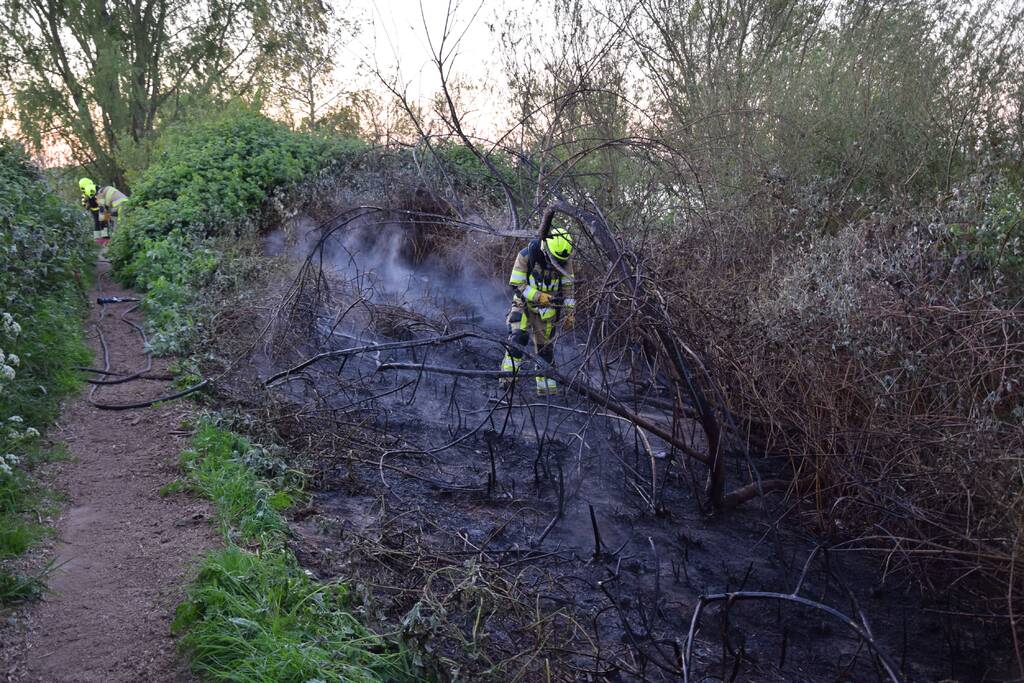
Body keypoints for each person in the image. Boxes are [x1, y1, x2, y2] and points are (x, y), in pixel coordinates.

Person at [498, 223, 576, 396]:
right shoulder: (526, 256)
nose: (557, 264)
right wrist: (538, 296)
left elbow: (569, 289)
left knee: (545, 350)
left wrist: (570, 312)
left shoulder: (565, 261)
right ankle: (507, 382)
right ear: (546, 248)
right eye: (554, 260)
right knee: (518, 340)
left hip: (547, 312)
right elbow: (517, 284)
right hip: (523, 306)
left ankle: (547, 391)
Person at [79, 177, 128, 243]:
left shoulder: (97, 195)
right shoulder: (104, 189)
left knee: (115, 222)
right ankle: (106, 238)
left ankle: (117, 240)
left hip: (116, 205)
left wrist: (105, 215)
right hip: (123, 201)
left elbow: (103, 208)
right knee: (109, 220)